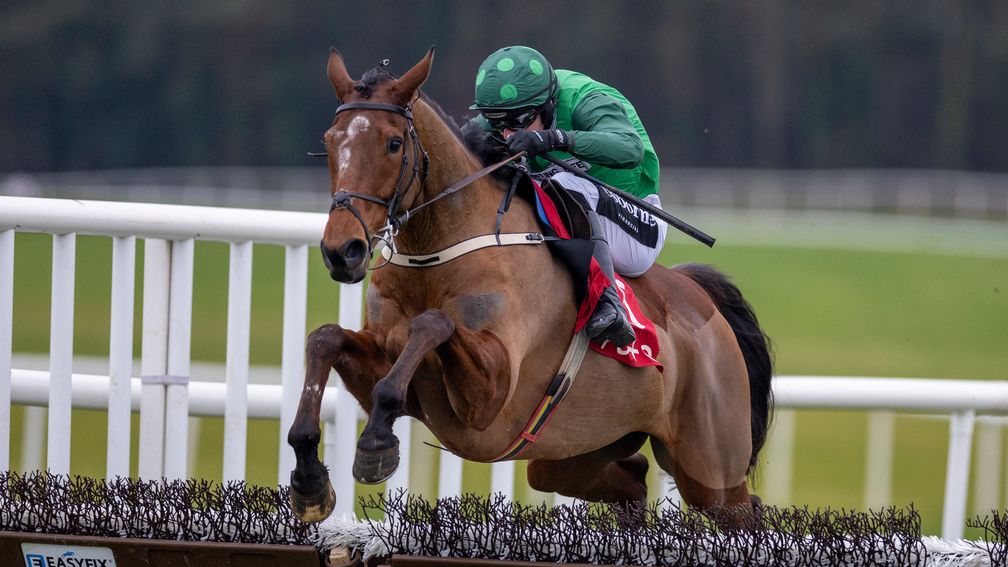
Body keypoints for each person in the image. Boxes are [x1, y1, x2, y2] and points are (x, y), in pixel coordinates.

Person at [469, 45, 667, 348]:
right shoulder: (508, 115)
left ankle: (608, 302)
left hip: (638, 225)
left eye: (516, 122)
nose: (507, 133)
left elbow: (629, 148)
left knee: (563, 182)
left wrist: (555, 139)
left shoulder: (585, 99)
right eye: (496, 123)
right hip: (574, 219)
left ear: (547, 106)